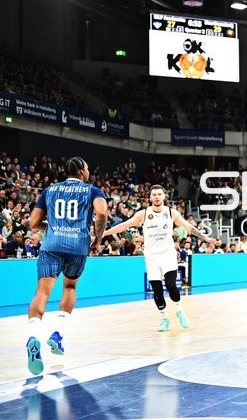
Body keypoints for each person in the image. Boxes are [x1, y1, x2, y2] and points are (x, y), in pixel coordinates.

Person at [25, 157, 108, 375]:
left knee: (42, 293)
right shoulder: (92, 191)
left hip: (51, 245)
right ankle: (57, 335)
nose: (89, 171)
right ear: (81, 171)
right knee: (69, 287)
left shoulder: (49, 190)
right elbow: (101, 213)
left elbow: (33, 223)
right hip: (77, 246)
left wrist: (52, 227)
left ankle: (33, 336)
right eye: (88, 168)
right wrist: (97, 240)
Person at [104, 185, 218, 332]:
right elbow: (124, 225)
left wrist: (206, 238)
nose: (157, 197)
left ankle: (179, 311)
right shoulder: (143, 214)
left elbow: (189, 227)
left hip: (168, 254)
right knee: (157, 291)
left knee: (171, 285)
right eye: (154, 195)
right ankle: (164, 318)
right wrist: (105, 233)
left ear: (164, 197)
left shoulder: (171, 213)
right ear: (150, 198)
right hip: (151, 257)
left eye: (159, 194)